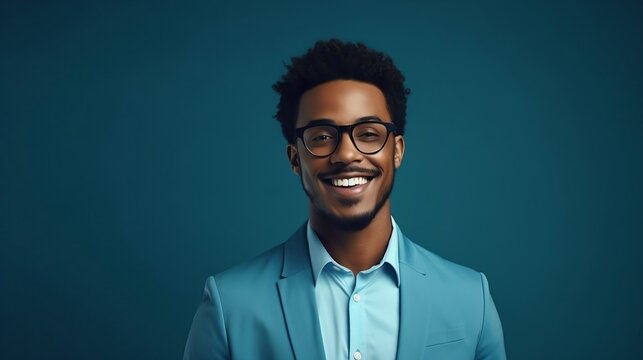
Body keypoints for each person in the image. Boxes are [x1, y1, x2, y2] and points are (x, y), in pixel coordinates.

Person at [183, 39, 506, 360]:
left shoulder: (469, 299)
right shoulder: (230, 305)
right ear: (295, 159)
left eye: (368, 133)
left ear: (397, 150)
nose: (347, 154)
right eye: (322, 137)